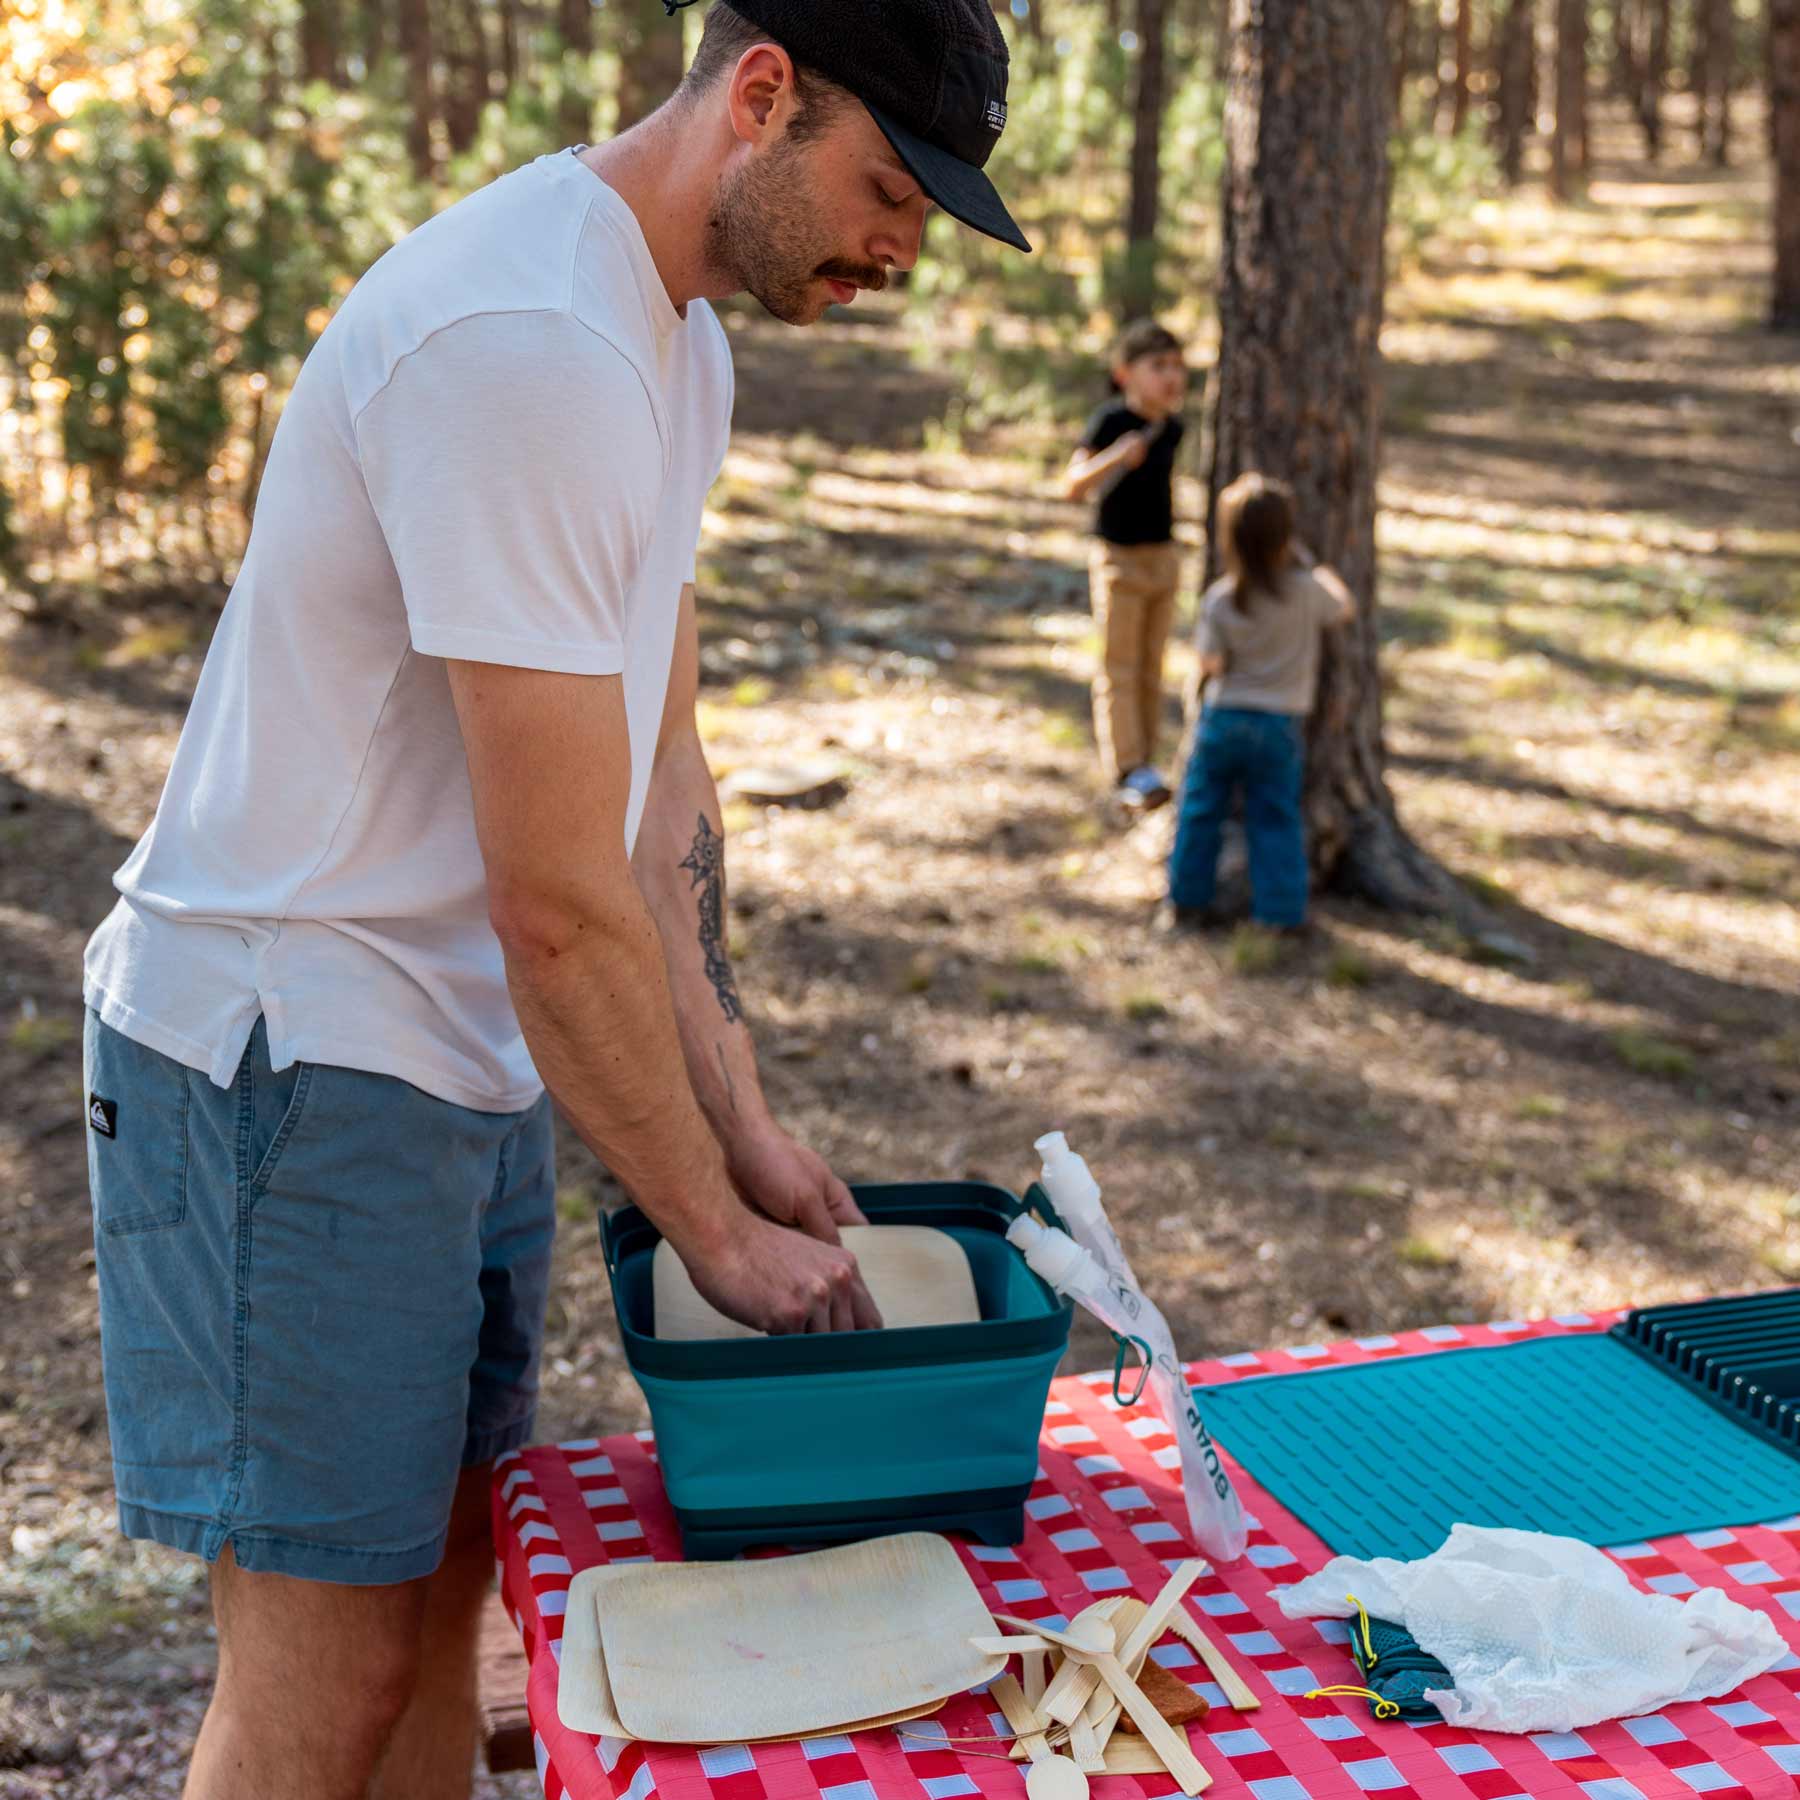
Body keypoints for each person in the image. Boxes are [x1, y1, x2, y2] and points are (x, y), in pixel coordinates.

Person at [77, 1, 1030, 1793]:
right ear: (760, 97)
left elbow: (658, 785)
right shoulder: (523, 342)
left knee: (444, 1619)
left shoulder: (676, 353)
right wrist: (717, 1237)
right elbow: (552, 899)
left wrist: (742, 1123)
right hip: (294, 1053)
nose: (903, 251)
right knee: (322, 1682)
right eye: (891, 187)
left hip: (464, 1053)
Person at [1166, 472, 1356, 931]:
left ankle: (1186, 902)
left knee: (1200, 811)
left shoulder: (1222, 598)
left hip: (1224, 717)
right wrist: (1314, 565)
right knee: (1275, 816)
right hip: (1279, 724)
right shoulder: (1307, 593)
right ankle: (1280, 913)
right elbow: (1344, 605)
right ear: (1286, 535)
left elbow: (1210, 661)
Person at [1063, 319, 1189, 811]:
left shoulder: (1174, 428)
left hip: (1163, 555)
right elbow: (1072, 484)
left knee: (1153, 665)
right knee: (1119, 665)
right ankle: (1127, 767)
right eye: (1158, 366)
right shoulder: (1110, 422)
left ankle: (1149, 764)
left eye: (1178, 366)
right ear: (1124, 374)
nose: (1172, 377)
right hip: (1118, 558)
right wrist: (1116, 457)